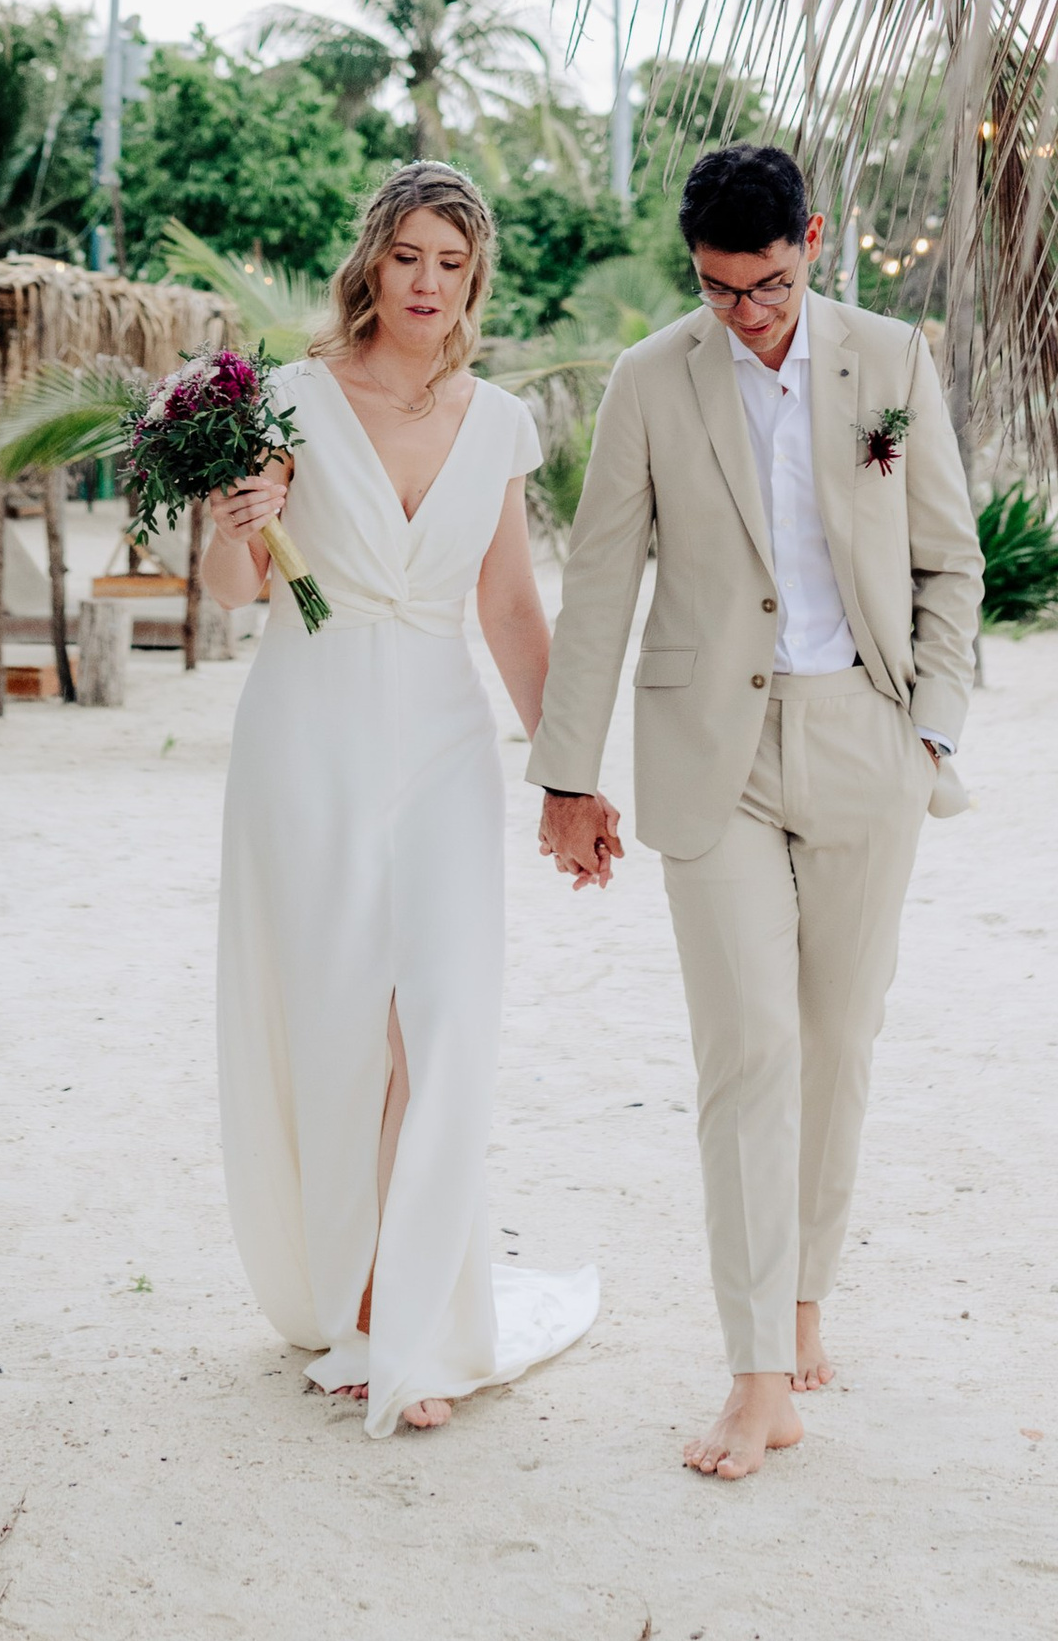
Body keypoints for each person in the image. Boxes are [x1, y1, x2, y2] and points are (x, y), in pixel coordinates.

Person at [528, 140, 980, 1480]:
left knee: (839, 1040)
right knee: (750, 1047)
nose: (748, 312)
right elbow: (602, 579)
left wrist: (931, 724)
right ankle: (754, 1373)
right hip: (707, 754)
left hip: (865, 735)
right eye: (721, 289)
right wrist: (566, 772)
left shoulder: (891, 358)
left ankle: (800, 1300)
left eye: (770, 282)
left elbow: (948, 556)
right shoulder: (648, 378)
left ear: (815, 239)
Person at [203, 161, 597, 1436]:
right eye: (410, 255)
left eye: (453, 262)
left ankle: (416, 1322)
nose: (430, 282)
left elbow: (511, 608)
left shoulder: (495, 420)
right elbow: (226, 590)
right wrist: (240, 516)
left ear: (475, 278)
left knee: (439, 1024)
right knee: (337, 1022)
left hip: (438, 741)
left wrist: (570, 773)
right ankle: (368, 1307)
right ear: (371, 261)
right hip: (306, 732)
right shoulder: (288, 402)